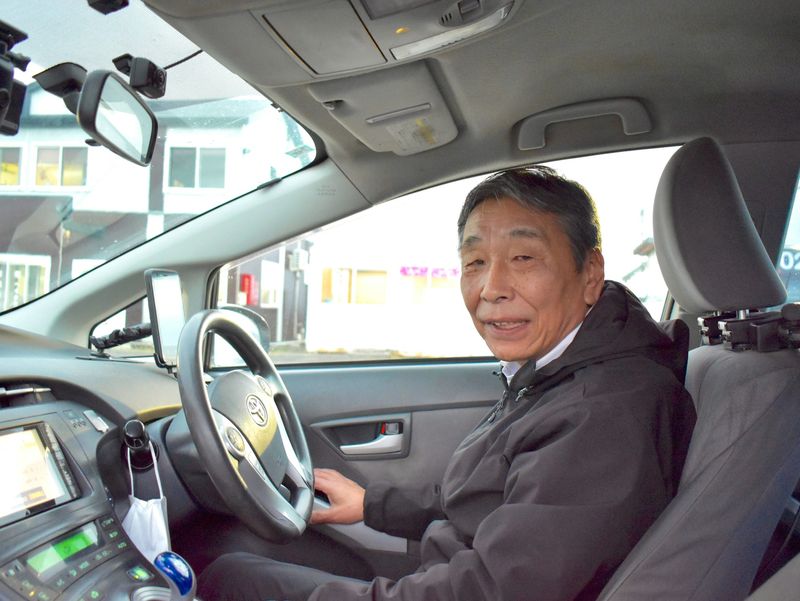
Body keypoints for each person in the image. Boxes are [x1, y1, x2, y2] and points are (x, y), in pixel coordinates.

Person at [198, 166, 696, 601]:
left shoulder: (603, 413)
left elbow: (491, 592)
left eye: (524, 258)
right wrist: (371, 505)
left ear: (590, 274)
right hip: (448, 570)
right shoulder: (556, 370)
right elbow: (486, 495)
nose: (491, 288)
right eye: (475, 263)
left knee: (226, 574)